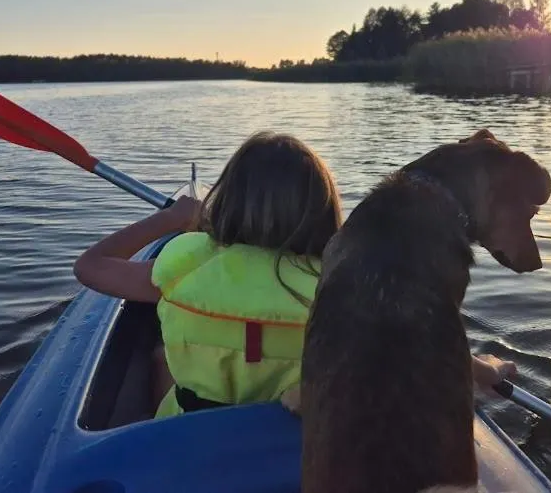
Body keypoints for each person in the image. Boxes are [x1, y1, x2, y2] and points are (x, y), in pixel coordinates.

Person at [74, 130, 517, 419]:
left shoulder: (180, 271)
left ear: (228, 203)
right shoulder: (346, 288)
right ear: (325, 213)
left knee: (159, 354)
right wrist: (490, 371)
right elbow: (437, 353)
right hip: (296, 444)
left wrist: (166, 222)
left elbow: (90, 268)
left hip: (187, 440)